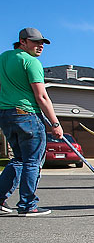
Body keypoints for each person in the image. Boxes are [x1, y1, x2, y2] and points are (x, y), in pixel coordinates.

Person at [0, 28, 63, 216]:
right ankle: (28, 205)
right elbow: (41, 96)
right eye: (35, 42)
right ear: (23, 41)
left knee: (19, 159)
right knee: (33, 161)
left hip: (6, 114)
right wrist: (55, 124)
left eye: (42, 43)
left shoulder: (4, 58)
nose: (40, 46)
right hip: (27, 114)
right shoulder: (31, 62)